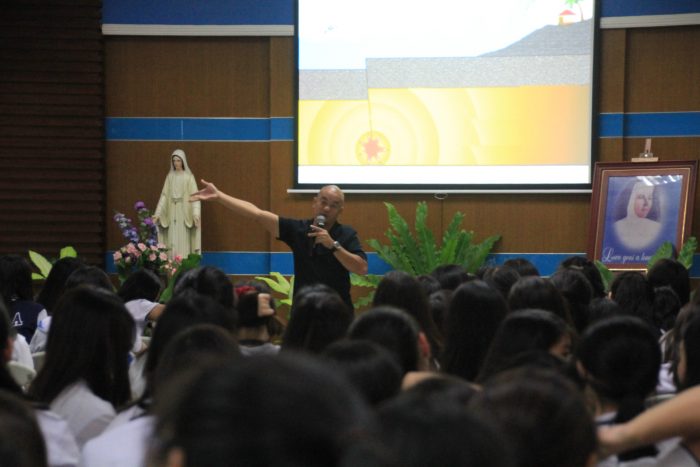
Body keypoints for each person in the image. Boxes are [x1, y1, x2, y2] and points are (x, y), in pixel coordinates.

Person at [190, 181, 367, 308]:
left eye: (334, 205)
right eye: (323, 202)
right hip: (304, 309)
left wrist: (334, 246)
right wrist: (220, 196)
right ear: (315, 203)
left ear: (340, 211)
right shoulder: (298, 230)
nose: (327, 208)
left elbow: (361, 268)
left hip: (337, 310)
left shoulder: (346, 234)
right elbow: (257, 214)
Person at [153, 149, 201, 258]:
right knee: (171, 238)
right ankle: (171, 264)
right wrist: (158, 213)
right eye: (174, 160)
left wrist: (195, 213)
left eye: (178, 160)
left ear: (183, 161)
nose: (176, 163)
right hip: (171, 212)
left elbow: (195, 196)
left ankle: (183, 262)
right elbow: (164, 196)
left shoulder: (189, 177)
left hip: (183, 213)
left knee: (183, 238)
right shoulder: (170, 177)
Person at [613, 181, 662, 251]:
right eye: (641, 197)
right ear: (631, 199)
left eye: (650, 198)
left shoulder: (657, 227)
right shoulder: (617, 226)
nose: (646, 203)